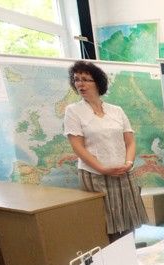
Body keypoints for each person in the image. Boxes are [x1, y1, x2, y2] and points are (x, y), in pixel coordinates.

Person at [63, 60, 149, 242]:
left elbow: (130, 141)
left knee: (128, 219)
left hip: (123, 173)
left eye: (86, 79)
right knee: (104, 224)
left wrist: (129, 163)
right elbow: (77, 147)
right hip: (95, 176)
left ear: (98, 83)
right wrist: (102, 169)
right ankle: (108, 257)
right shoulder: (73, 111)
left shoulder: (116, 110)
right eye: (76, 79)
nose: (80, 84)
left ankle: (128, 254)